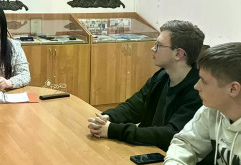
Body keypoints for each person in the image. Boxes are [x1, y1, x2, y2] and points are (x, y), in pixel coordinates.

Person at [88, 21, 205, 154]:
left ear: (178, 54)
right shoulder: (162, 76)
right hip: (150, 150)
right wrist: (107, 117)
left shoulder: (199, 90)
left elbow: (171, 133)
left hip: (173, 158)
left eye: (158, 45)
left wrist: (113, 130)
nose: (153, 49)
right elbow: (133, 107)